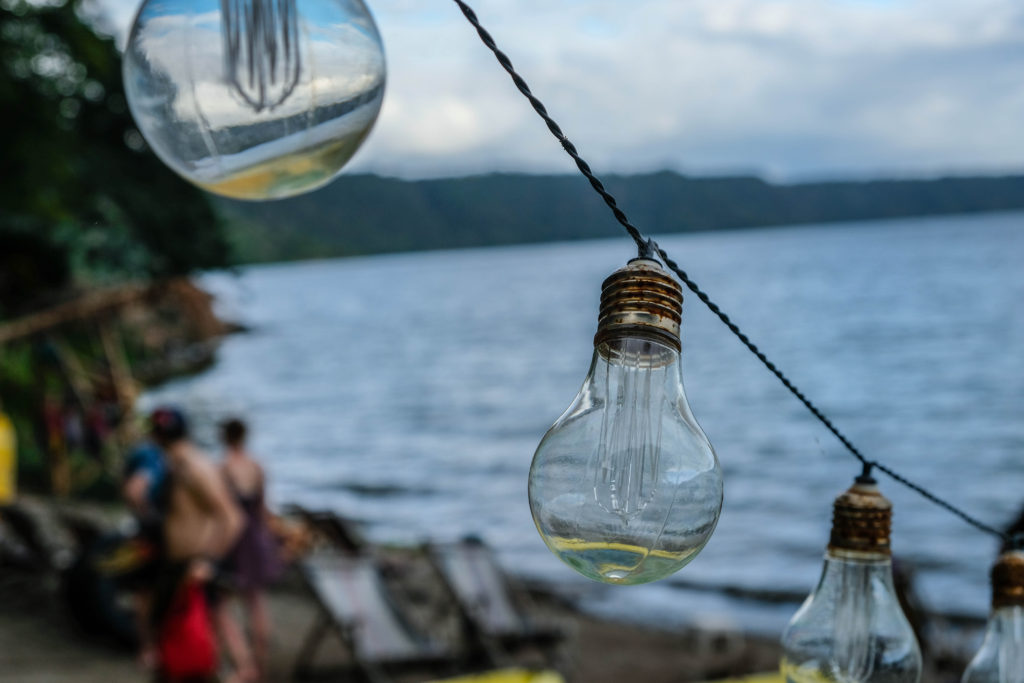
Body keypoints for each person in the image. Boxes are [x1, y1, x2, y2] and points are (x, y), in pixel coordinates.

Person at [149, 407, 243, 683]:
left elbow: (231, 518)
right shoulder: (176, 464)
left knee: (197, 653)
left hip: (193, 569)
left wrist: (208, 561)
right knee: (172, 651)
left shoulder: (194, 467)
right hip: (176, 567)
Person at [216, 418, 282, 682]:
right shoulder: (257, 466)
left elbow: (220, 513)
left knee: (220, 604)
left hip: (233, 540)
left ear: (224, 437)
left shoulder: (222, 468)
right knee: (256, 603)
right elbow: (264, 511)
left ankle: (244, 665)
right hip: (255, 539)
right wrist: (274, 541)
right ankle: (260, 665)